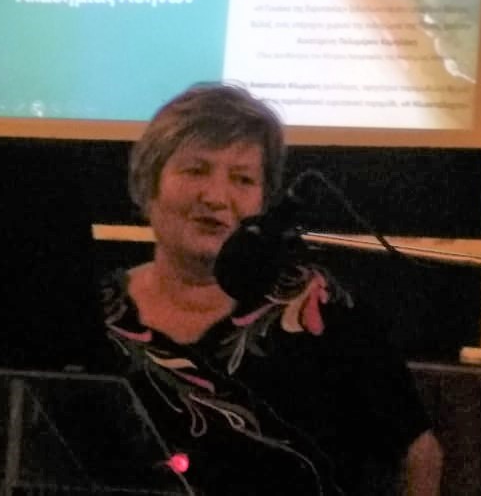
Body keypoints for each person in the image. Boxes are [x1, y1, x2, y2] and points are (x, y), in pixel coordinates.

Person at [101, 83, 442, 495]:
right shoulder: (94, 312)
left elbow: (418, 452)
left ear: (265, 204)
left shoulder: (322, 308)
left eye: (242, 179)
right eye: (195, 170)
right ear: (148, 183)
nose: (216, 197)